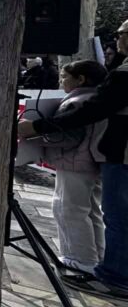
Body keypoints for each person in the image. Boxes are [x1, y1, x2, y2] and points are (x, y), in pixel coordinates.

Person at [19, 19, 128, 300]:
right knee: (98, 213)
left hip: (97, 159)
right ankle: (100, 262)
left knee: (80, 211)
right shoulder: (110, 80)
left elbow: (80, 123)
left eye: (121, 33)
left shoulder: (115, 80)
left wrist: (37, 130)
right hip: (104, 158)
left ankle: (94, 267)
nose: (117, 38)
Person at [39, 60, 109, 275]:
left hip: (74, 162)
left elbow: (67, 137)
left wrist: (40, 135)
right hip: (93, 162)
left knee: (68, 209)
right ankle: (96, 255)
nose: (61, 82)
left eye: (65, 77)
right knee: (91, 211)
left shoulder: (75, 103)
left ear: (81, 79)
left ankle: (79, 258)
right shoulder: (99, 99)